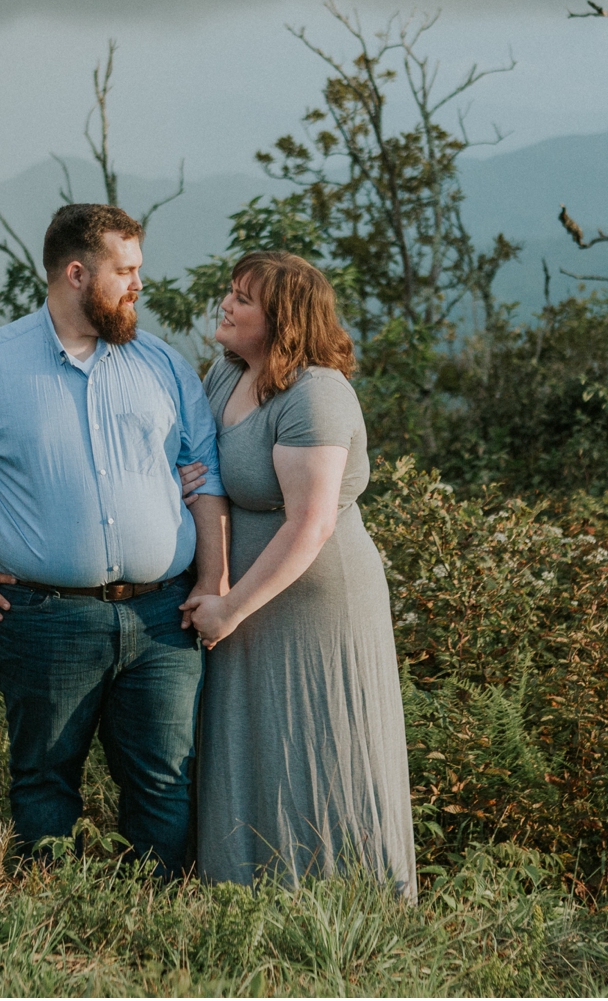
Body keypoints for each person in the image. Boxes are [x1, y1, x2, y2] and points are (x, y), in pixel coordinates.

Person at [0, 203, 230, 877]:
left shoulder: (162, 365)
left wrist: (214, 584)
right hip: (44, 619)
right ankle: (52, 927)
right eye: (124, 270)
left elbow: (205, 474)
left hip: (164, 616)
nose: (139, 284)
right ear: (77, 273)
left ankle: (156, 932)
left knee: (165, 784)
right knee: (44, 781)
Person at [180, 251, 417, 899]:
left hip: (317, 606)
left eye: (243, 299)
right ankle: (245, 896)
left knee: (324, 743)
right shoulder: (225, 377)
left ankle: (350, 901)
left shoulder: (317, 393)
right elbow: (205, 477)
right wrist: (215, 579)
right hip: (244, 598)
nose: (225, 306)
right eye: (229, 292)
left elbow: (310, 524)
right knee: (251, 741)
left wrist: (230, 608)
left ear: (283, 320)